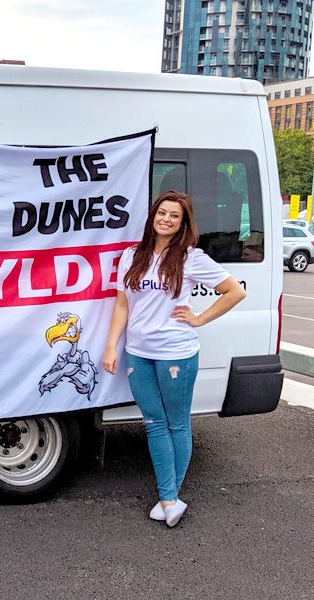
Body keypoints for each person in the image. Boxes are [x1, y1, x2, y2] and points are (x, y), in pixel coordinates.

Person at [102, 191, 246, 528]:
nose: (166, 219)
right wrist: (112, 346)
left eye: (174, 216)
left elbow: (235, 291)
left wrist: (199, 319)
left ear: (183, 223)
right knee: (153, 423)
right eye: (161, 213)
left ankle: (168, 496)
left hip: (176, 354)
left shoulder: (190, 258)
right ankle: (170, 499)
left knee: (177, 423)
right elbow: (122, 305)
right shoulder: (131, 256)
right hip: (138, 353)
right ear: (153, 216)